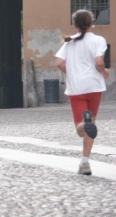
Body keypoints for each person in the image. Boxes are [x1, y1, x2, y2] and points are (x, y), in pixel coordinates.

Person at [56, 9, 109, 176]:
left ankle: (84, 124)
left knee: (81, 128)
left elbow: (59, 63)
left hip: (76, 88)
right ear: (92, 23)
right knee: (90, 124)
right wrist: (104, 72)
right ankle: (85, 162)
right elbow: (99, 62)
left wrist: (70, 73)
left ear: (75, 25)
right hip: (94, 86)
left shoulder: (69, 42)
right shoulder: (98, 40)